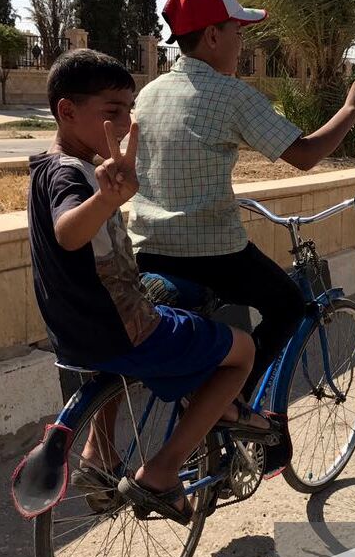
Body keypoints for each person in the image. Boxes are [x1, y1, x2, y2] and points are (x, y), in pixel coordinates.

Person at [27, 49, 273, 525]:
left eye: (129, 109)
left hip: (75, 330)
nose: (125, 123)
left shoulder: (46, 165)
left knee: (176, 292)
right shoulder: (71, 176)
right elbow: (69, 232)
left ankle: (106, 449)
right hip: (121, 329)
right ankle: (164, 469)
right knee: (241, 351)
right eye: (112, 111)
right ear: (67, 111)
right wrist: (107, 199)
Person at [128, 0, 355, 399]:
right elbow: (305, 155)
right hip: (212, 255)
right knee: (288, 305)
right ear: (213, 36)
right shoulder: (231, 95)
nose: (241, 43)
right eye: (237, 31)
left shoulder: (149, 93)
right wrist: (351, 108)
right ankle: (230, 403)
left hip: (147, 249)